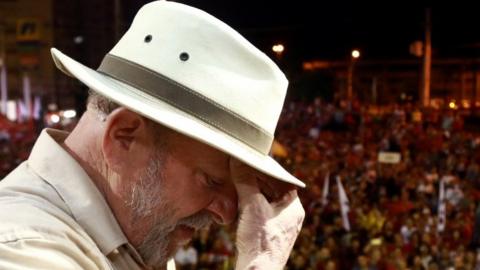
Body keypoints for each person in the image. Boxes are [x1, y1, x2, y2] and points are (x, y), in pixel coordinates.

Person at [0, 1, 305, 270]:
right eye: (211, 180)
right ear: (124, 136)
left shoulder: (136, 232)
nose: (227, 214)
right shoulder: (23, 248)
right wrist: (262, 261)